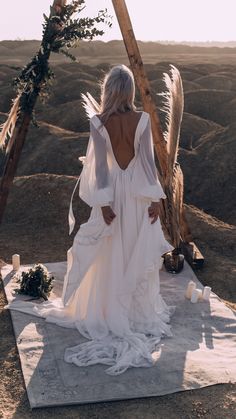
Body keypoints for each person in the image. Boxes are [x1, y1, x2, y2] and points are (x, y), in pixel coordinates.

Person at [11, 64, 175, 375]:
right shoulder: (142, 120)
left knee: (106, 252)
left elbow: (100, 169)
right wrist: (155, 200)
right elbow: (147, 164)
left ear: (108, 91)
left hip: (112, 193)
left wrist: (103, 205)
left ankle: (105, 309)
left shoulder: (99, 123)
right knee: (130, 250)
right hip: (138, 197)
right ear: (128, 92)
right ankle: (131, 311)